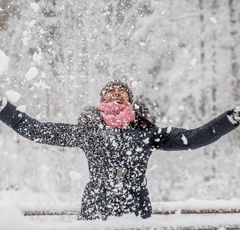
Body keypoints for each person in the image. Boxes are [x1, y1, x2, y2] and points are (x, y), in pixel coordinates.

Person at [0, 80, 239, 221]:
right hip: (96, 203)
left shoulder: (148, 133)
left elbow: (195, 137)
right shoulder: (88, 132)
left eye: (122, 90)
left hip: (135, 204)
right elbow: (38, 130)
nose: (116, 92)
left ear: (130, 101)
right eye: (110, 90)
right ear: (102, 99)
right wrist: (4, 109)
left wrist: (231, 119)